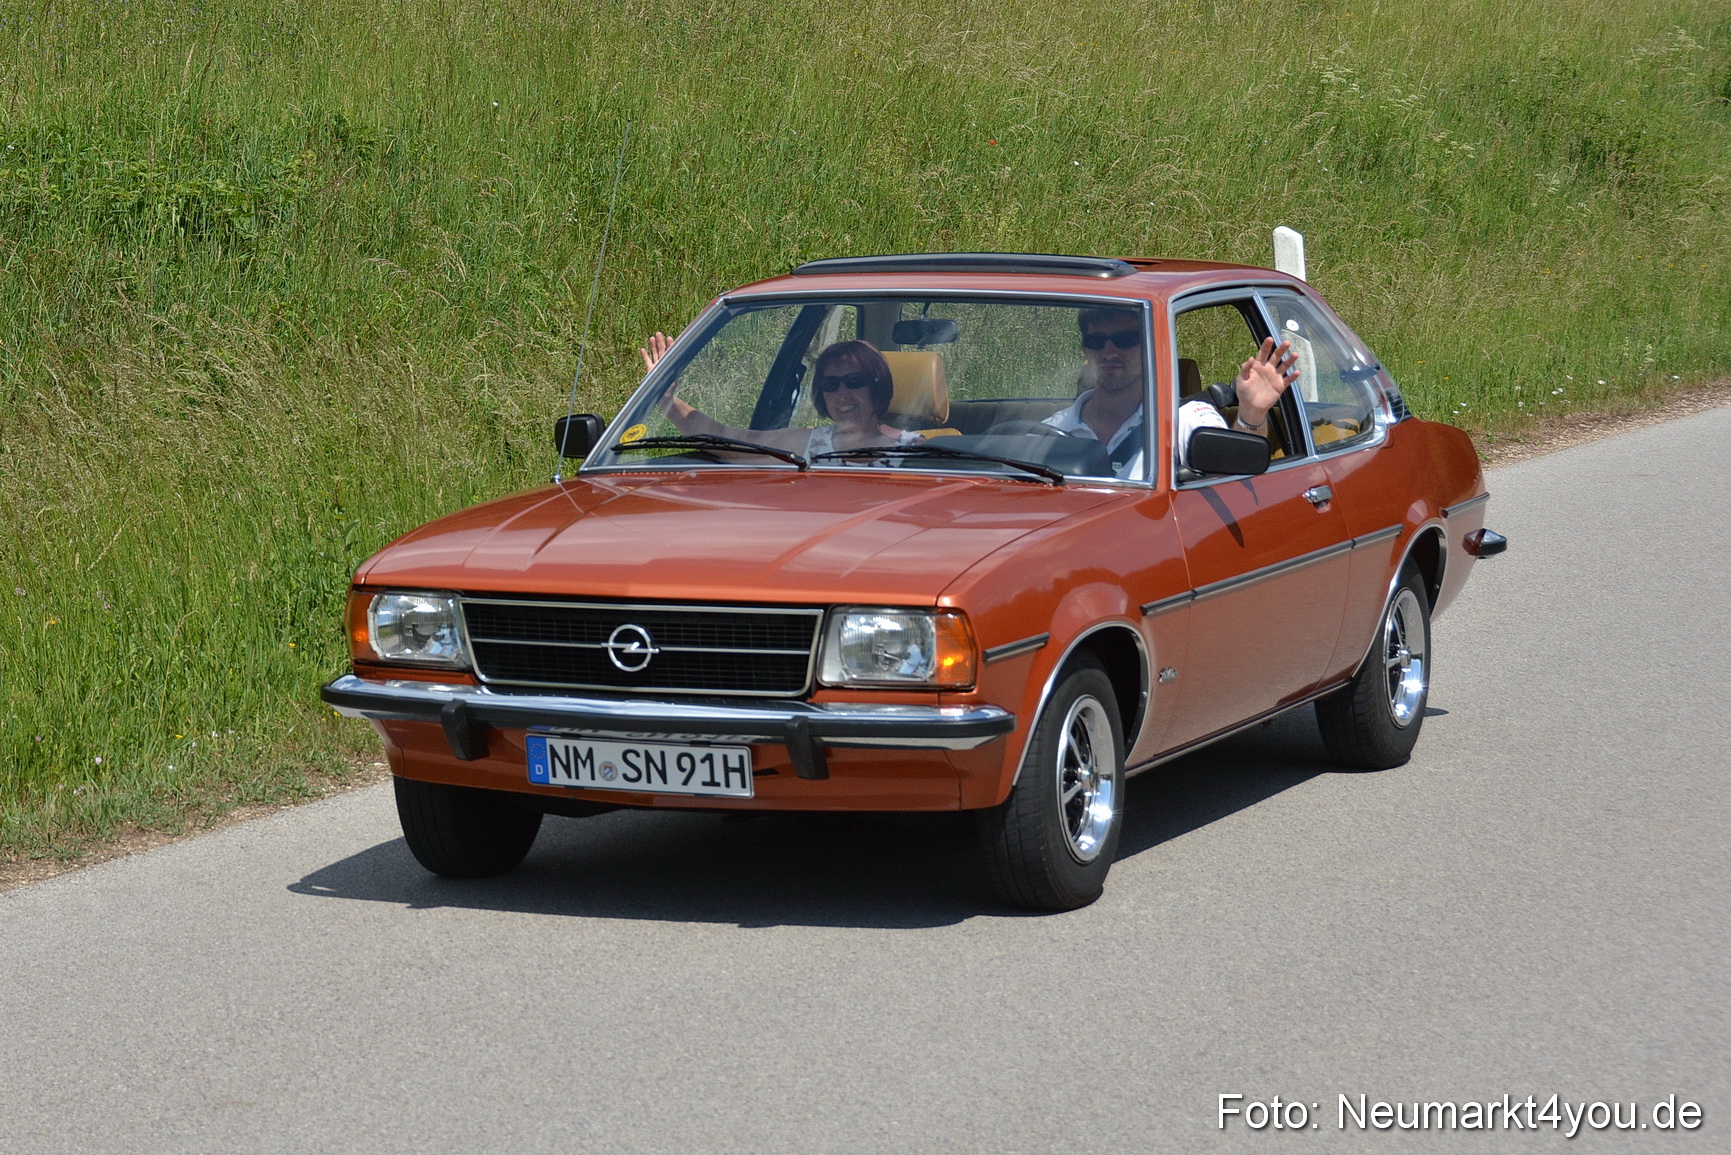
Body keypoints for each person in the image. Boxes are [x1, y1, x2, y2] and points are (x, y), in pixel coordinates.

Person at [1041, 307, 1300, 477]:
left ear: (1152, 347)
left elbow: (1235, 477)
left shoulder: (1188, 419)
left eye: (1125, 340)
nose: (1109, 352)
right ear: (1085, 350)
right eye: (1096, 342)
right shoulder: (1051, 431)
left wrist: (1252, 412)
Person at [638, 333, 919, 457]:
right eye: (830, 385)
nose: (842, 393)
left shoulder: (917, 450)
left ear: (877, 385)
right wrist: (665, 400)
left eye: (854, 381)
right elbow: (727, 440)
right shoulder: (806, 444)